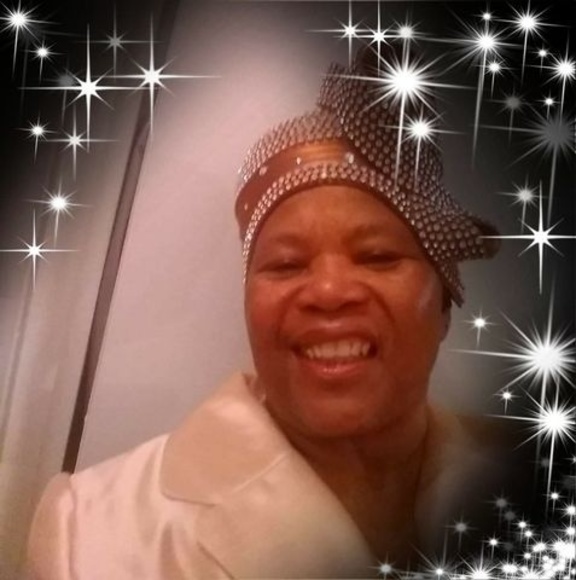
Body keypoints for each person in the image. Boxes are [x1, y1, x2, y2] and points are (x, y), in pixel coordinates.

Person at [27, 45, 519, 579]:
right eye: (286, 264)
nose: (328, 290)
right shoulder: (88, 531)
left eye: (378, 256)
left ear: (445, 305)